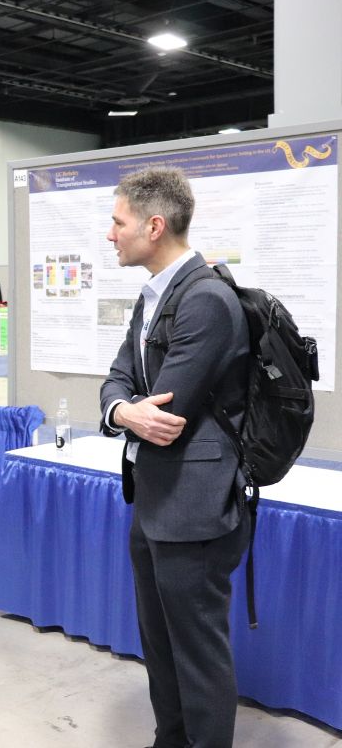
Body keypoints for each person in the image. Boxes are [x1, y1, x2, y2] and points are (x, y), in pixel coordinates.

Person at [99, 168, 251, 748]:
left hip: (195, 507)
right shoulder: (155, 296)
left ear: (154, 226)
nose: (110, 234)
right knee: (159, 642)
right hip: (155, 499)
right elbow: (117, 384)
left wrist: (130, 410)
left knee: (198, 653)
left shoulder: (205, 299)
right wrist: (122, 412)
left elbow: (169, 409)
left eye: (118, 222)